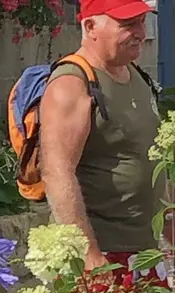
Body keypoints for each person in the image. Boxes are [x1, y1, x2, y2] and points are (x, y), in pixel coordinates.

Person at [38, 0, 163, 272]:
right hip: (102, 254)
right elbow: (56, 173)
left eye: (142, 21)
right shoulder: (72, 83)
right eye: (127, 24)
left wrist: (174, 231)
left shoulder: (135, 74)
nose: (140, 32)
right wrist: (88, 254)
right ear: (90, 26)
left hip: (145, 252)